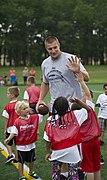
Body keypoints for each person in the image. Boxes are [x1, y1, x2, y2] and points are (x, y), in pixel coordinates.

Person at [36, 36, 89, 179]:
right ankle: (64, 173)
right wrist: (40, 98)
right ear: (46, 49)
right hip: (55, 108)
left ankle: (79, 169)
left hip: (73, 107)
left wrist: (79, 71)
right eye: (50, 49)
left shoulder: (71, 58)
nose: (53, 51)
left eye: (55, 47)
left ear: (59, 45)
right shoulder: (45, 63)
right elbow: (45, 83)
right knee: (59, 141)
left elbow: (87, 77)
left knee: (75, 141)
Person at [44, 95, 92, 180]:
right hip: (72, 151)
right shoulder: (75, 115)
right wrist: (77, 101)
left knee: (56, 175)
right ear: (67, 106)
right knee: (74, 175)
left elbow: (47, 138)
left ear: (55, 107)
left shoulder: (50, 119)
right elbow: (88, 109)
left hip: (56, 152)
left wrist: (48, 152)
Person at [71, 72, 101, 180]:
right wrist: (81, 81)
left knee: (88, 168)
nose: (83, 95)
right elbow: (88, 95)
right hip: (95, 141)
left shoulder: (75, 115)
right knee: (96, 168)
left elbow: (87, 95)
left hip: (85, 143)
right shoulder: (90, 109)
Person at [4, 101, 43, 180]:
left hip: (31, 144)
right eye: (24, 109)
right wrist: (8, 139)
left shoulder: (33, 117)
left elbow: (42, 114)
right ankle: (21, 176)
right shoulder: (17, 121)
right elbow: (13, 132)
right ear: (19, 112)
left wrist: (42, 108)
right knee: (20, 161)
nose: (27, 109)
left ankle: (31, 172)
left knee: (31, 160)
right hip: (21, 146)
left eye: (27, 108)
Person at [2, 86, 20, 163]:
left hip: (10, 128)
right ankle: (16, 158)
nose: (7, 94)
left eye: (8, 93)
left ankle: (10, 155)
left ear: (12, 95)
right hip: (19, 128)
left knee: (8, 142)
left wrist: (5, 129)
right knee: (17, 144)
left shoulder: (7, 106)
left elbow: (6, 118)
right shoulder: (20, 104)